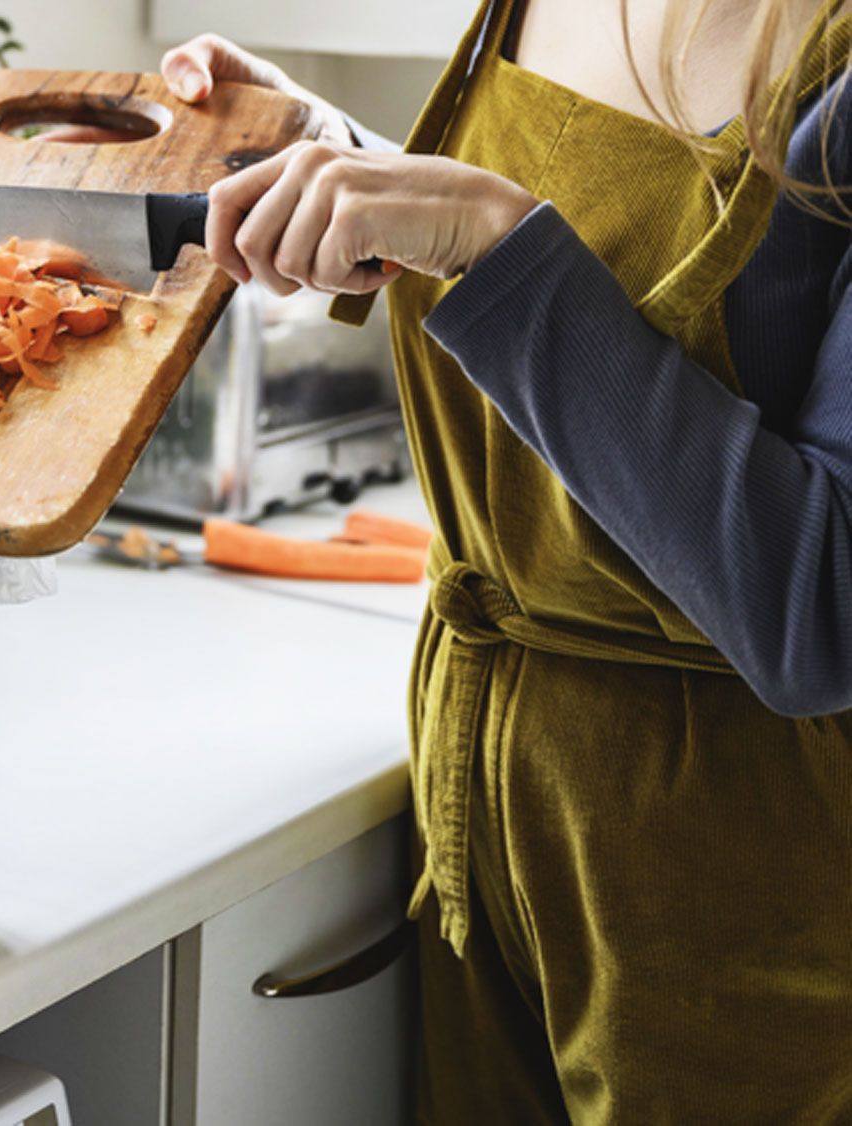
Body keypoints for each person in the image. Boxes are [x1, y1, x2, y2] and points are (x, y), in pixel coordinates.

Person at [161, 0, 852, 1120]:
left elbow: (825, 609)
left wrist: (491, 240)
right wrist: (345, 179)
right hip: (479, 800)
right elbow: (605, 280)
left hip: (734, 879)